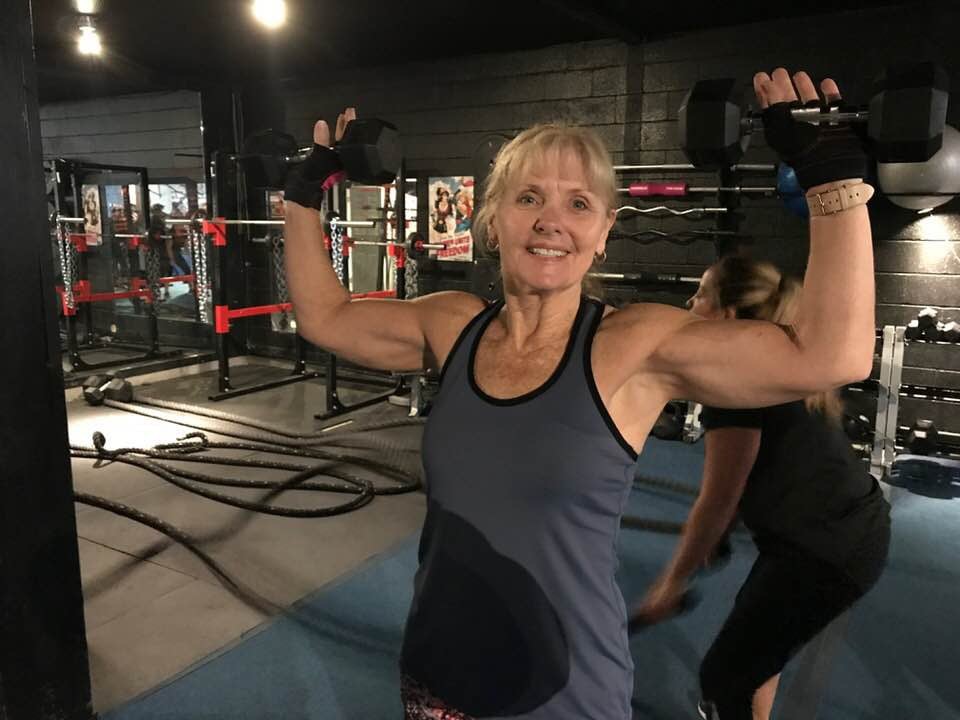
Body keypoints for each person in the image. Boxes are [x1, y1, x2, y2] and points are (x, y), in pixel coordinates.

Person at [283, 66, 877, 720]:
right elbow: (325, 317)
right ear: (492, 220)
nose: (551, 221)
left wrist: (833, 180)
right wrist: (303, 197)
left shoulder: (635, 343)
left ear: (603, 234)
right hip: (436, 680)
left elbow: (834, 354)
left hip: (566, 697)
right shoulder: (450, 326)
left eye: (578, 204)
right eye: (528, 197)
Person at [633, 255, 891, 720]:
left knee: (722, 680)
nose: (690, 303)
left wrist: (670, 581)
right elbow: (754, 470)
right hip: (848, 531)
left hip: (823, 550)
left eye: (701, 294)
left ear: (727, 314)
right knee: (757, 654)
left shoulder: (735, 383)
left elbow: (718, 497)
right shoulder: (777, 359)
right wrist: (715, 539)